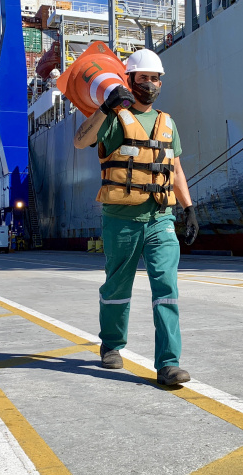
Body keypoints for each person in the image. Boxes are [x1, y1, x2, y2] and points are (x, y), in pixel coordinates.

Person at [73, 48, 199, 386]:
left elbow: (174, 168)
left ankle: (169, 364)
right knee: (117, 286)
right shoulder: (114, 118)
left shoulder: (166, 122)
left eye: (155, 78)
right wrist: (105, 107)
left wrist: (189, 208)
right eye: (143, 78)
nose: (150, 84)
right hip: (122, 220)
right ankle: (112, 345)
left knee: (167, 289)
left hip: (161, 219)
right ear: (129, 80)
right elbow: (80, 141)